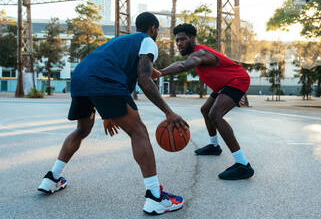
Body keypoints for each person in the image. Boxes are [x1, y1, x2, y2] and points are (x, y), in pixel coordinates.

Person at [38, 12, 188, 215]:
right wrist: (169, 112)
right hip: (104, 81)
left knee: (82, 130)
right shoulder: (147, 41)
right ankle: (155, 197)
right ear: (153, 28)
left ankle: (52, 178)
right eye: (157, 30)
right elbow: (144, 80)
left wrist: (107, 113)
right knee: (138, 132)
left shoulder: (123, 41)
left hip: (81, 77)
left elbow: (116, 68)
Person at [156, 23, 254, 180]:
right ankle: (214, 146)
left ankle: (243, 165)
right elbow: (182, 62)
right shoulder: (195, 53)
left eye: (183, 39)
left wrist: (160, 72)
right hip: (224, 84)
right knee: (205, 110)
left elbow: (182, 66)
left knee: (215, 114)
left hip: (237, 80)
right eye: (177, 41)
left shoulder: (200, 53)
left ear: (192, 38)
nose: (179, 43)